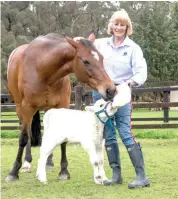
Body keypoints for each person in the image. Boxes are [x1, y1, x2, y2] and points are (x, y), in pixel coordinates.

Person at [92, 9, 150, 189]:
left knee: (124, 131)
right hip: (102, 93)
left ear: (127, 27)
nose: (118, 27)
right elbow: (85, 51)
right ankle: (116, 175)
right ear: (111, 26)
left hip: (122, 93)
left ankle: (141, 176)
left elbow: (141, 72)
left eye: (122, 24)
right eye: (116, 24)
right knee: (108, 134)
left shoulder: (133, 48)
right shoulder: (101, 44)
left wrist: (128, 84)